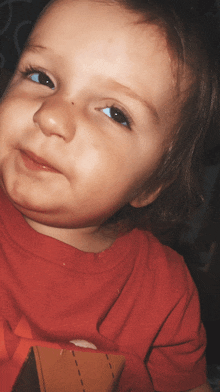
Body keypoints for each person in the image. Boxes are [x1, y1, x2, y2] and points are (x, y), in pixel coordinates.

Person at [0, 0, 218, 390]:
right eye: (40, 77)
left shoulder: (164, 291)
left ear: (151, 183)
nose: (50, 116)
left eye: (115, 113)